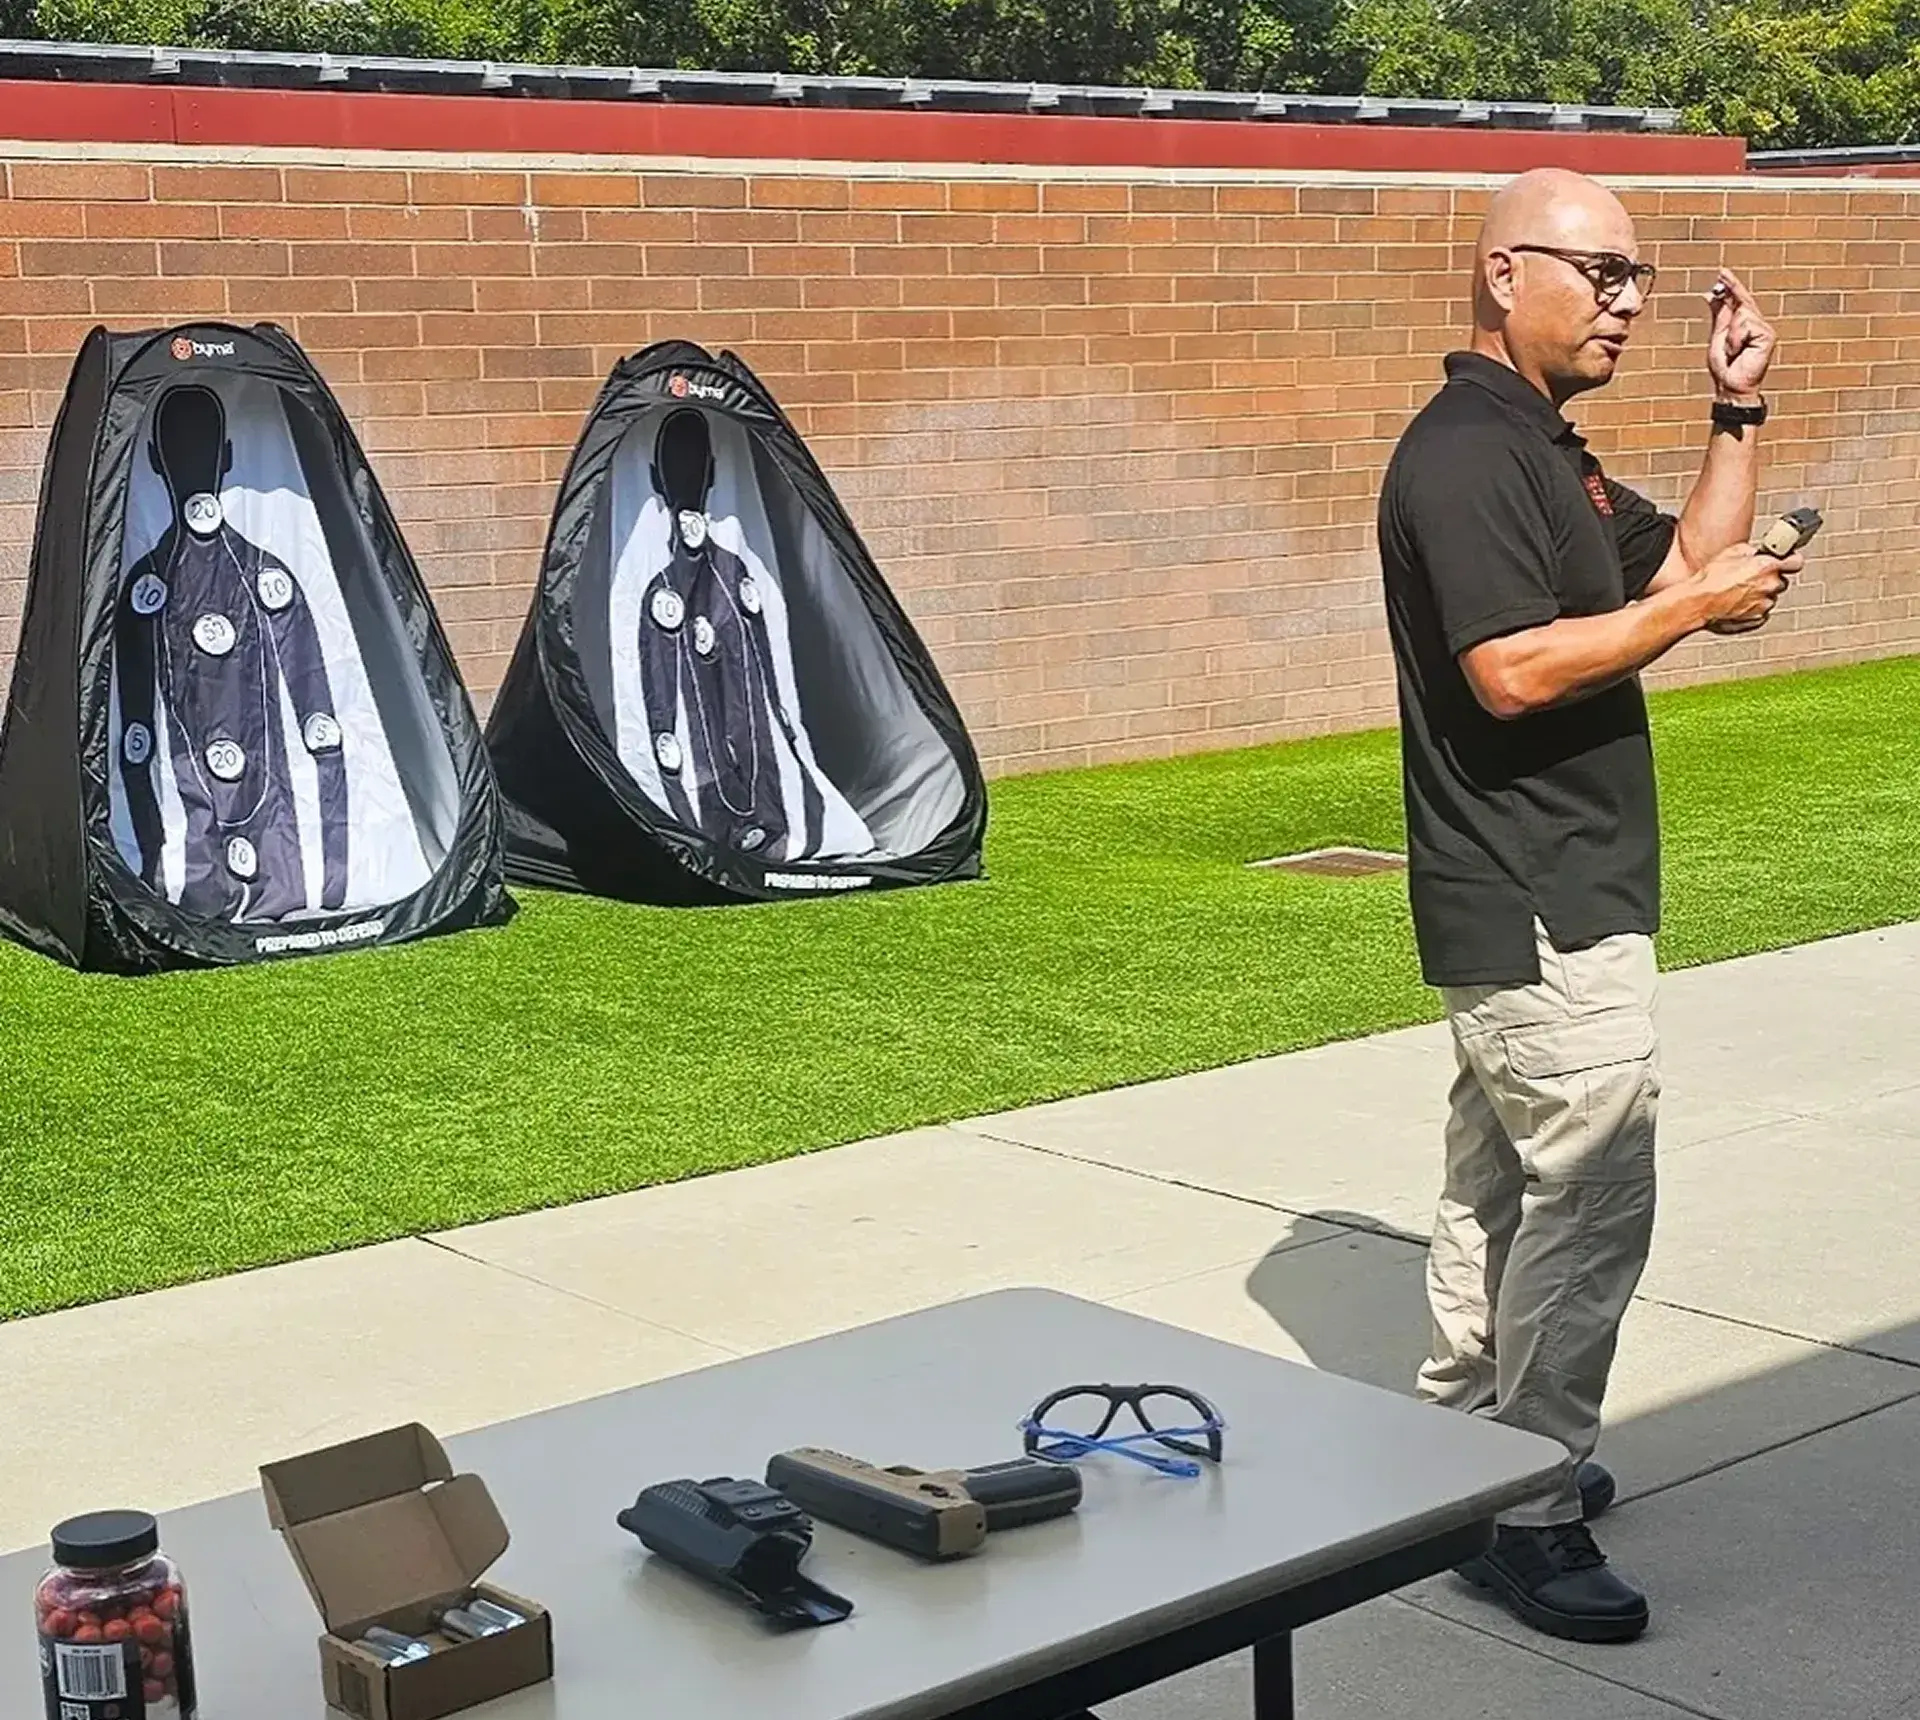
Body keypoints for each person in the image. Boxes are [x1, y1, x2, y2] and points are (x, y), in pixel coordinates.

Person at [1376, 167, 1799, 1643]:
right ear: (1504, 274)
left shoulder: (1548, 453)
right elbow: (1510, 670)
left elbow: (1685, 565)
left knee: (1498, 1191)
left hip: (1556, 884)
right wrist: (1694, 609)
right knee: (1592, 1192)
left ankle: (1457, 1457)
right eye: (1600, 273)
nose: (1629, 300)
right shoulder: (1464, 457)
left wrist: (1732, 416)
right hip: (1535, 892)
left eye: (1641, 278)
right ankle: (1526, 1506)